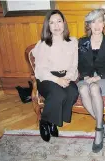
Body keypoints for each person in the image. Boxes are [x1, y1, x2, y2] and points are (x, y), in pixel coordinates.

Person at [32, 10, 79, 142]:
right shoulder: (43, 44)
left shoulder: (73, 42)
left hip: (66, 76)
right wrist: (57, 80)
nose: (56, 25)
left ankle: (53, 121)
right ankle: (44, 121)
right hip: (47, 78)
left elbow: (74, 65)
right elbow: (40, 69)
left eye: (59, 21)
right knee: (59, 94)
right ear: (48, 26)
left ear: (64, 23)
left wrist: (68, 77)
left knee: (72, 92)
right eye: (52, 22)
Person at [78, 9, 105, 153]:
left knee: (94, 88)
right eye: (93, 22)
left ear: (104, 24)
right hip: (87, 78)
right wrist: (86, 76)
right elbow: (80, 64)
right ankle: (104, 125)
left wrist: (98, 77)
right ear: (89, 25)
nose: (96, 25)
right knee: (82, 89)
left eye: (99, 21)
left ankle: (99, 131)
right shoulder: (83, 42)